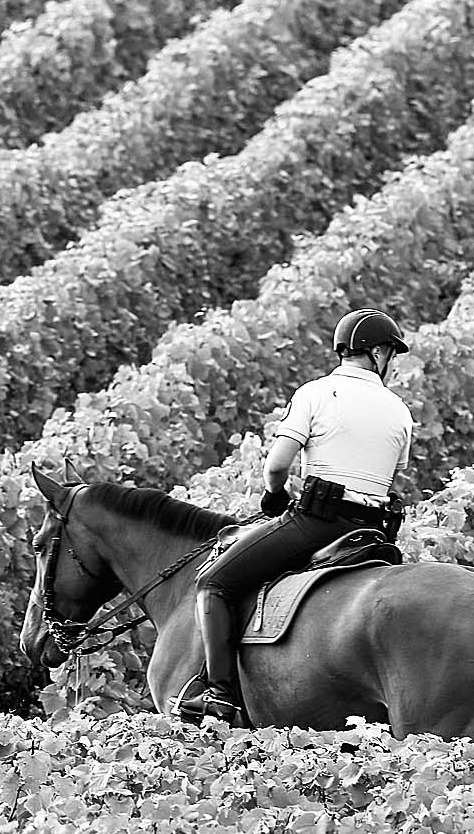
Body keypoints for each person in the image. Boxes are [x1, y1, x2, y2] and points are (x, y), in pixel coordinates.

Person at [176, 308, 417, 723]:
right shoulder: (399, 410)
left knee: (213, 583)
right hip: (372, 533)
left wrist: (274, 496)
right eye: (391, 355)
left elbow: (276, 467)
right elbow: (391, 471)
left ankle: (220, 695)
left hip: (317, 523)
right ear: (377, 352)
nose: (391, 363)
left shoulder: (316, 394)